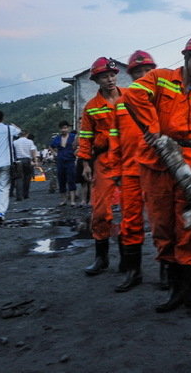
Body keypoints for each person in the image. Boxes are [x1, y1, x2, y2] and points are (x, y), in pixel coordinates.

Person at [124, 34, 191, 314]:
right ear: (186, 56)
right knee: (162, 226)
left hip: (186, 168)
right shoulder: (160, 78)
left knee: (187, 228)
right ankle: (175, 290)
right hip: (155, 164)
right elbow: (133, 95)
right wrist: (155, 131)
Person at [111, 50, 158, 292]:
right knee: (130, 221)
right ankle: (133, 272)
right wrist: (114, 170)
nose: (143, 76)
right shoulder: (122, 104)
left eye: (147, 72)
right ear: (131, 77)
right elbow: (115, 140)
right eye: (138, 73)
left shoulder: (164, 100)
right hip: (129, 171)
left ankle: (167, 271)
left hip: (157, 171)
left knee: (162, 223)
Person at [77, 57, 123, 275]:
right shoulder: (91, 107)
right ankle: (101, 258)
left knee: (129, 210)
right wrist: (85, 164)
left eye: (112, 75)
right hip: (103, 162)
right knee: (101, 210)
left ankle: (128, 259)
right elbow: (85, 138)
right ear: (96, 80)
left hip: (127, 161)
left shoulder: (130, 99)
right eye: (105, 76)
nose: (110, 79)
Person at [50, 121, 79, 204]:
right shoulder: (57, 138)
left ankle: (72, 200)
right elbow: (51, 146)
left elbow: (79, 144)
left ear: (68, 128)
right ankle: (64, 200)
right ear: (60, 129)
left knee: (71, 179)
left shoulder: (73, 136)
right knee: (61, 179)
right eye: (62, 128)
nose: (64, 130)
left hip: (70, 160)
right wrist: (54, 153)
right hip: (60, 161)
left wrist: (76, 151)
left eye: (65, 128)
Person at [12, 132, 38, 201]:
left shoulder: (15, 142)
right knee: (27, 178)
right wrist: (35, 160)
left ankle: (19, 196)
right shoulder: (30, 141)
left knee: (19, 178)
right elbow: (33, 151)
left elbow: (13, 152)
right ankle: (25, 194)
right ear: (26, 134)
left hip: (18, 161)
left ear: (19, 135)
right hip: (27, 160)